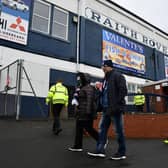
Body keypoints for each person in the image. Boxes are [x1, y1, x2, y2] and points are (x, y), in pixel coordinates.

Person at [87, 60, 128, 160]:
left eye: (104, 66)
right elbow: (103, 93)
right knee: (102, 129)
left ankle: (121, 152)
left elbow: (123, 91)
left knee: (118, 131)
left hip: (115, 109)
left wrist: (115, 106)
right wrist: (99, 106)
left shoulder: (118, 76)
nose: (103, 68)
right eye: (102, 66)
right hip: (106, 110)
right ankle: (100, 150)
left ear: (110, 67)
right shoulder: (105, 79)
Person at [68, 73, 99, 152]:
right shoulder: (81, 87)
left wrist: (88, 112)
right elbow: (80, 97)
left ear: (85, 79)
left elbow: (89, 100)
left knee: (89, 129)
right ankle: (78, 146)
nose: (79, 80)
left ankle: (102, 140)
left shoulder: (88, 88)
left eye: (81, 79)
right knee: (79, 129)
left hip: (85, 112)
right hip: (80, 111)